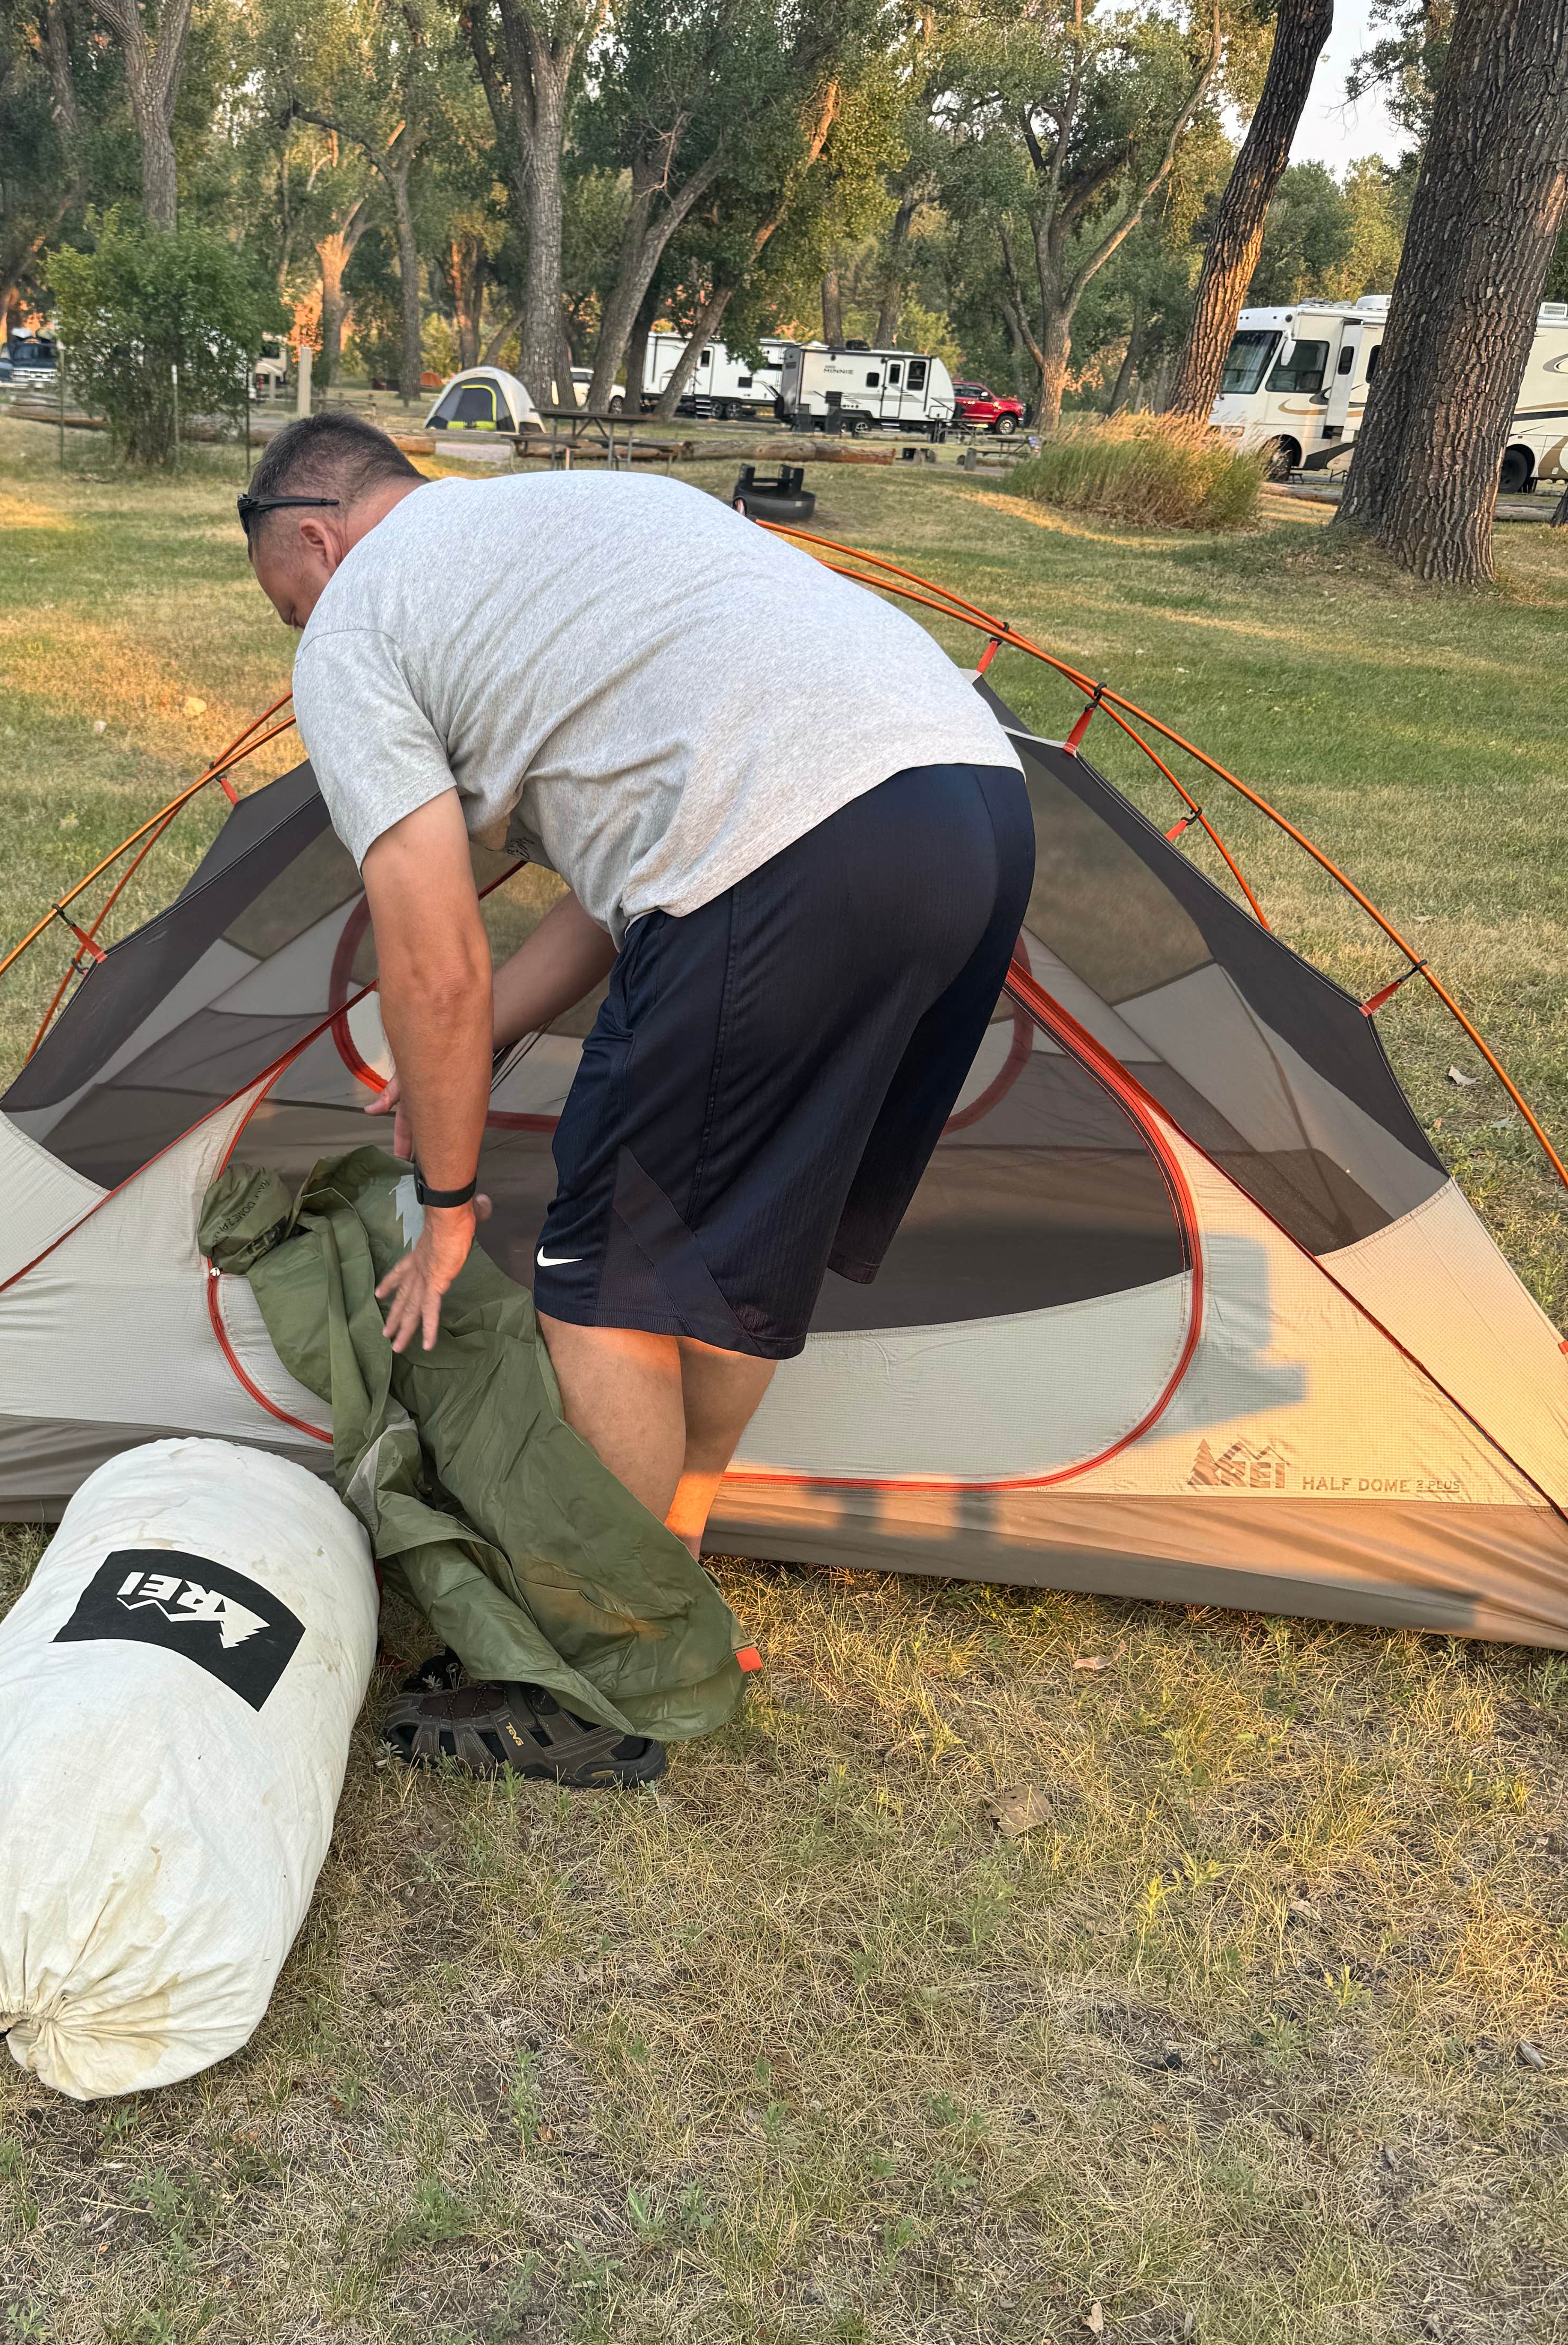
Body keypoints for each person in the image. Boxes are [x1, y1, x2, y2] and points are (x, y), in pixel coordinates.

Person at [240, 411, 1034, 1777]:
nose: (299, 636)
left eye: (287, 605)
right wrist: (487, 1039)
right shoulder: (565, 519)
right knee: (732, 1250)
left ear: (317, 536)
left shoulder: (360, 624)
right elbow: (638, 879)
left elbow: (428, 954)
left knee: (601, 1282)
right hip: (974, 814)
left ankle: (604, 1687)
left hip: (788, 851)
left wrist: (443, 1201)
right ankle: (671, 1585)